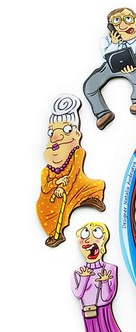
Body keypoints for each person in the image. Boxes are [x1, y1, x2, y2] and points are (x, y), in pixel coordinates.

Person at [36, 94, 105, 248]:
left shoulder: (77, 153)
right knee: (46, 208)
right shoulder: (46, 171)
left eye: (66, 130)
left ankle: (90, 198)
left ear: (77, 134)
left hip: (75, 185)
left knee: (95, 186)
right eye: (51, 132)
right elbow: (45, 186)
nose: (56, 137)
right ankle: (55, 233)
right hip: (54, 195)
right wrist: (57, 184)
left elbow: (74, 174)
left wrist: (64, 187)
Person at [83, 7, 136, 130]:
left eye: (128, 19)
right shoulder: (105, 41)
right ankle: (102, 113)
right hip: (111, 65)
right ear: (111, 27)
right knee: (90, 86)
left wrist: (134, 67)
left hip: (133, 66)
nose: (123, 25)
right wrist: (114, 43)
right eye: (117, 21)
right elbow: (106, 55)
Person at [71, 222, 128, 332]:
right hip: (87, 310)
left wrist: (104, 282)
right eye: (85, 235)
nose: (89, 238)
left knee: (108, 326)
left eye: (96, 233)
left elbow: (107, 297)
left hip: (104, 308)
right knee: (93, 331)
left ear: (103, 243)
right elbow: (78, 293)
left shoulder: (110, 269)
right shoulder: (77, 273)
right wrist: (84, 278)